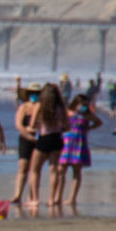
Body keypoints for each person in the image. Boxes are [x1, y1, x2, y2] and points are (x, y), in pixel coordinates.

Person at [55, 92, 101, 207]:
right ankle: (57, 197)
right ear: (75, 103)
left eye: (85, 104)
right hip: (66, 143)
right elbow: (59, 124)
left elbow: (98, 122)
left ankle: (72, 198)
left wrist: (88, 128)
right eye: (81, 104)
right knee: (61, 170)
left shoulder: (87, 115)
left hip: (80, 143)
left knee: (76, 171)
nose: (83, 107)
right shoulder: (67, 113)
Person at [27, 83, 67, 211]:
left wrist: (30, 128)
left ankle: (35, 199)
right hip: (57, 138)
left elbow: (32, 125)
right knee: (53, 169)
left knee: (34, 169)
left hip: (44, 138)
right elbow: (66, 126)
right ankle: (51, 199)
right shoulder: (60, 107)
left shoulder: (40, 106)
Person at [7, 86, 38, 212]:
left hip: (38, 138)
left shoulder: (41, 108)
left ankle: (32, 196)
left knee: (34, 169)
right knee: (22, 167)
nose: (34, 96)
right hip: (25, 140)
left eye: (36, 93)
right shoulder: (23, 107)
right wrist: (28, 135)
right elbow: (19, 125)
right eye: (32, 93)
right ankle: (17, 195)